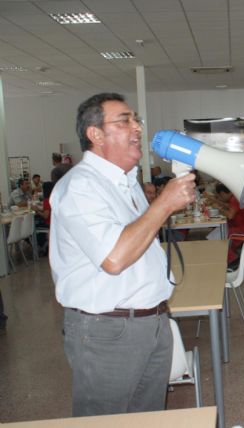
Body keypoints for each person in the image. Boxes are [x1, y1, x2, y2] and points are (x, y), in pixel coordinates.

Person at [50, 93, 196, 416]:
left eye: (136, 120)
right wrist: (165, 203)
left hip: (151, 322)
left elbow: (139, 241)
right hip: (108, 332)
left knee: (147, 418)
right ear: (95, 134)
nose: (137, 128)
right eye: (124, 120)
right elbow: (114, 257)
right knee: (104, 420)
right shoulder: (80, 187)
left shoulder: (128, 184)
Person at [211, 184, 244, 262]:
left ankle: (233, 259)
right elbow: (230, 207)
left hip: (243, 229)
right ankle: (227, 254)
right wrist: (219, 204)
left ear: (223, 193)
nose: (220, 198)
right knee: (219, 231)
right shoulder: (236, 196)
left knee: (221, 234)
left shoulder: (234, 199)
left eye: (219, 196)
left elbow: (230, 216)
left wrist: (219, 208)